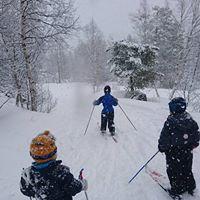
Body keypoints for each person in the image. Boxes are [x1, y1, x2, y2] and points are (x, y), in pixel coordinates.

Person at [20, 131, 88, 200]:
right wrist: (82, 184)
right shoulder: (60, 174)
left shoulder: (28, 174)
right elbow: (73, 188)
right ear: (53, 154)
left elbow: (25, 190)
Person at [158, 97, 200, 199]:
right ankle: (190, 185)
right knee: (186, 168)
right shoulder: (190, 120)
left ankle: (177, 189)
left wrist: (162, 146)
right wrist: (193, 144)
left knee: (174, 170)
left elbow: (164, 137)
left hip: (173, 152)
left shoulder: (170, 122)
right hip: (187, 151)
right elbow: (196, 136)